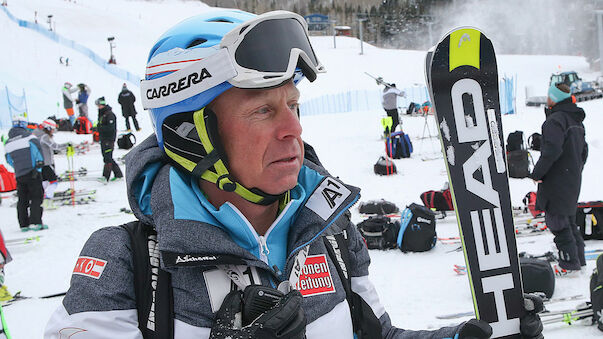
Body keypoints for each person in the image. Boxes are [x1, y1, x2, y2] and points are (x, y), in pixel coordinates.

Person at [45, 10, 544, 339]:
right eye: (263, 112)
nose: (294, 132)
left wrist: (458, 338)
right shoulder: (128, 263)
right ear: (190, 133)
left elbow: (377, 336)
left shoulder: (326, 229)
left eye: (293, 105)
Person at [530, 83, 588, 274]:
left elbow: (552, 150)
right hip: (571, 178)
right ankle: (578, 260)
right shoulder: (575, 120)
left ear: (553, 98)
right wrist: (575, 169)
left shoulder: (555, 120)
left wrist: (538, 173)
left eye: (549, 96)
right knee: (568, 220)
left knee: (557, 221)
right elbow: (583, 151)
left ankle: (569, 264)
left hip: (557, 179)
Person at [4, 116, 46, 232]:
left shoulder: (7, 142)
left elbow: (8, 159)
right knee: (36, 197)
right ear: (23, 124)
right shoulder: (29, 137)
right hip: (32, 172)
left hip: (19, 174)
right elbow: (38, 154)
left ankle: (23, 224)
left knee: (22, 200)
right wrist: (38, 168)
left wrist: (18, 168)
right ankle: (36, 222)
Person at [32, 120, 69, 200]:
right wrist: (66, 145)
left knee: (45, 181)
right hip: (47, 163)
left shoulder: (41, 135)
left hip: (42, 162)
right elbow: (55, 146)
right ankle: (48, 197)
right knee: (54, 181)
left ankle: (41, 195)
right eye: (52, 129)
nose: (53, 131)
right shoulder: (45, 137)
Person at [95, 97, 123, 183]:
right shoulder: (102, 113)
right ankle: (118, 174)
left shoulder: (110, 114)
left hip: (109, 139)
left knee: (107, 158)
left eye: (99, 105)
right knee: (108, 157)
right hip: (103, 138)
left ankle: (105, 177)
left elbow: (110, 128)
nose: (98, 107)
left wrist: (99, 128)